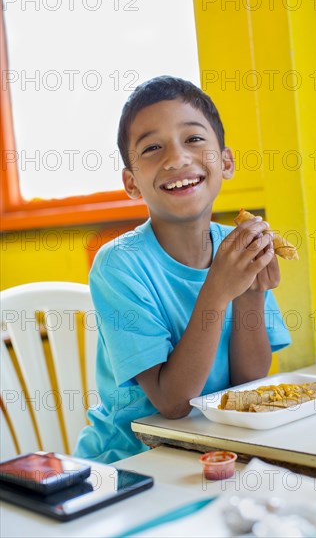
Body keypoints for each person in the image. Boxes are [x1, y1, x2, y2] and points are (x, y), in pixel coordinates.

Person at [74, 76, 291, 463]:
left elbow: (248, 385)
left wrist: (252, 294)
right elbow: (172, 403)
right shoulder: (119, 265)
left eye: (193, 139)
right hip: (134, 464)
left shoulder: (236, 246)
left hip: (217, 452)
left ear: (225, 162)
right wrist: (219, 290)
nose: (176, 159)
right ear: (131, 182)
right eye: (153, 148)